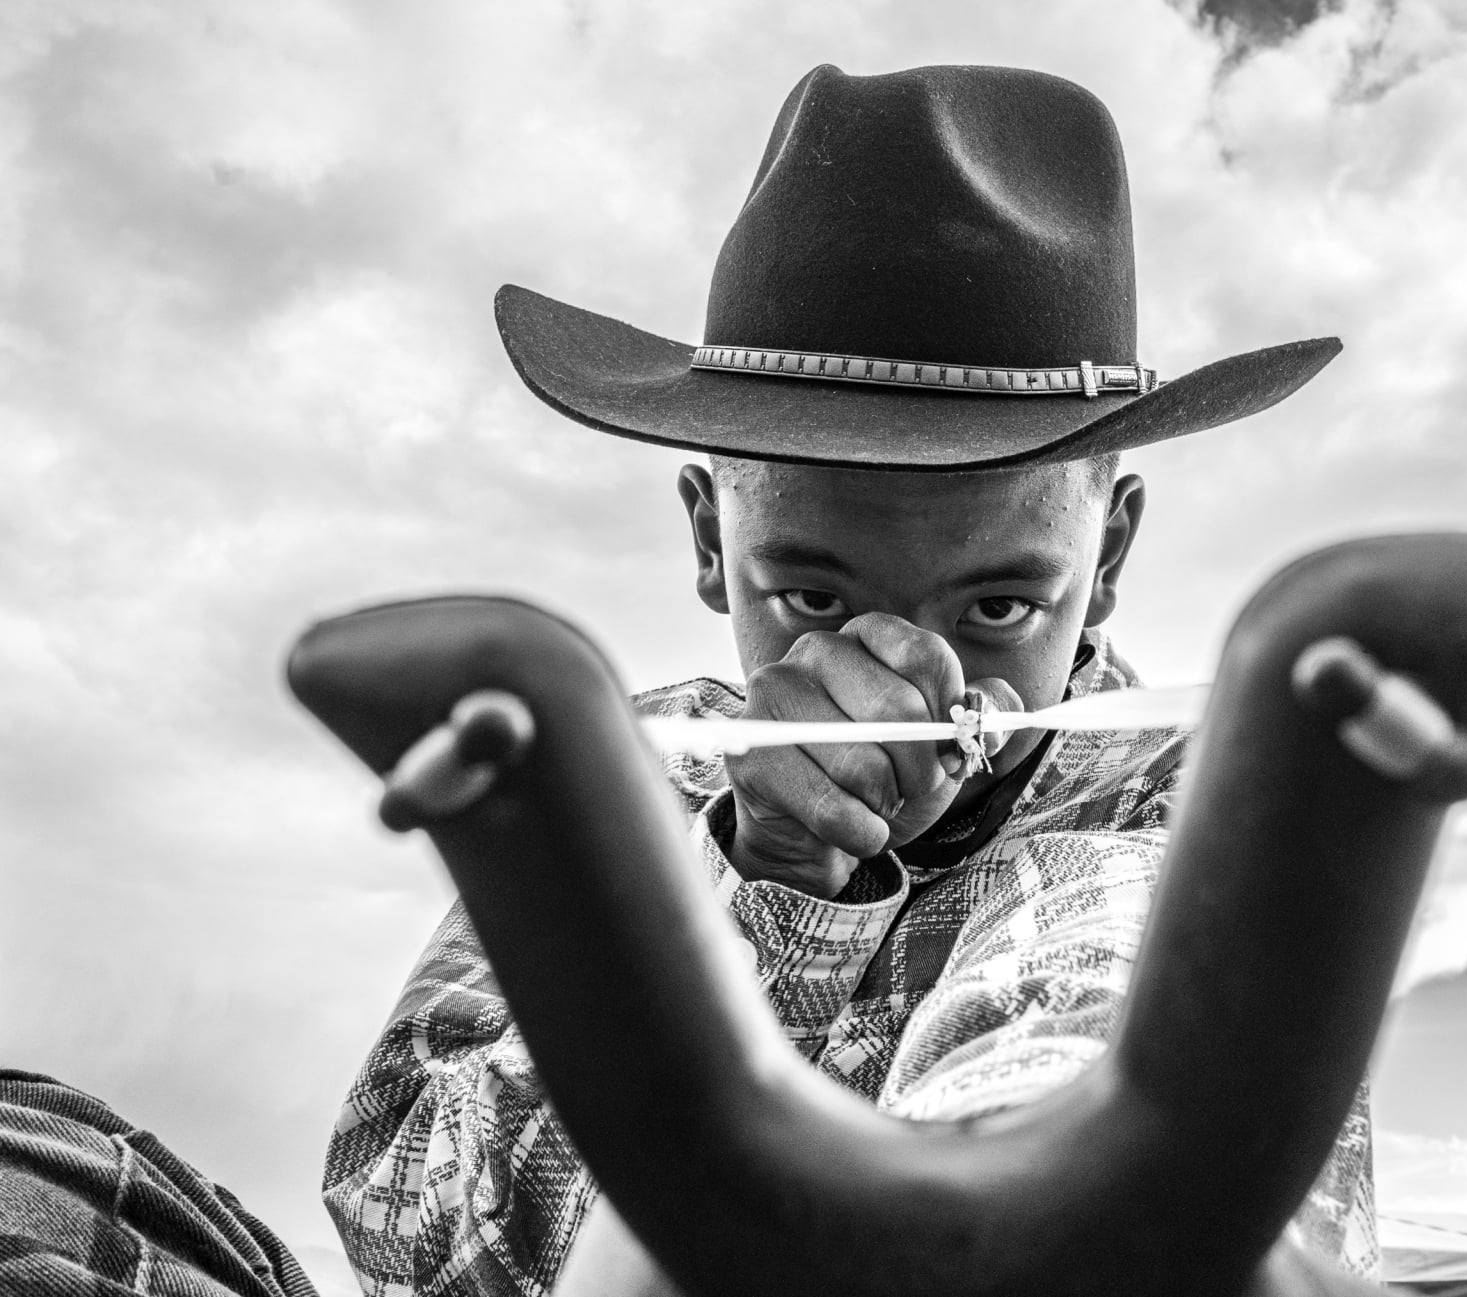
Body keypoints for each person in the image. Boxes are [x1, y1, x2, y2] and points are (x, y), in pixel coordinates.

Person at [0, 61, 1375, 1297]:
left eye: (1001, 604)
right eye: (815, 597)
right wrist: (765, 888)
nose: (905, 678)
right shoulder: (622, 777)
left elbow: (1119, 1031)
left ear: (1110, 552)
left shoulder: (1208, 801)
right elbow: (411, 1231)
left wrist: (1031, 1190)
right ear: (713, 540)